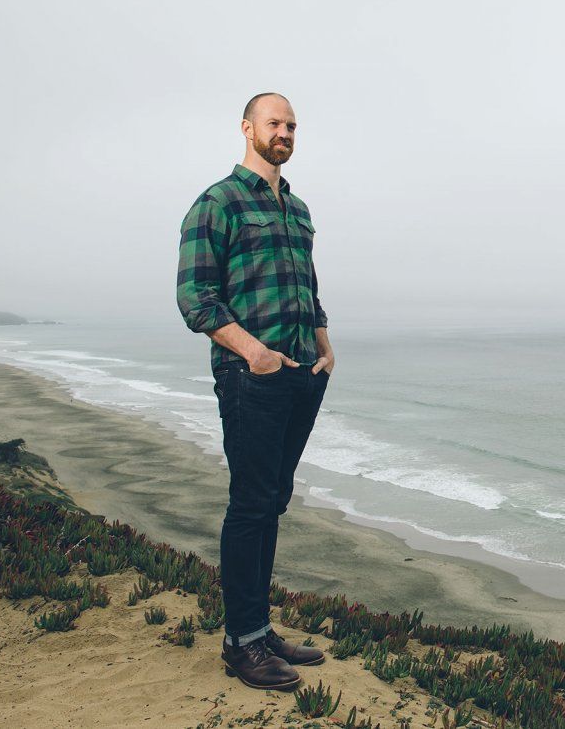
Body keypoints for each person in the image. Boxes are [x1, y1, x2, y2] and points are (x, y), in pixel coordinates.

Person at [176, 92, 335, 690]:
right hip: (251, 376)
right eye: (275, 122)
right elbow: (195, 298)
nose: (285, 132)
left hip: (300, 373)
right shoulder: (216, 203)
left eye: (292, 125)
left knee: (272, 501)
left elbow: (307, 284)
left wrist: (324, 343)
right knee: (249, 504)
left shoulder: (296, 208)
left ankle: (259, 630)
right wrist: (255, 353)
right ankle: (241, 644)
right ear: (248, 129)